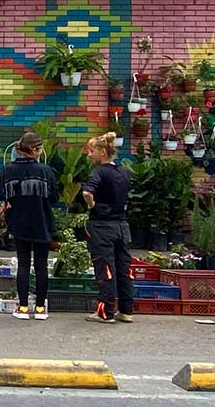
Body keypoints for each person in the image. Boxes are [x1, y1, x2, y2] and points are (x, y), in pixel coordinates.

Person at [0, 132, 57, 320]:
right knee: (41, 266)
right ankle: (40, 308)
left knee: (23, 264)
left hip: (19, 222)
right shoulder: (45, 171)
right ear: (36, 150)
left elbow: (3, 194)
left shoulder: (8, 170)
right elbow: (54, 197)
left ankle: (23, 308)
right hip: (42, 222)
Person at [81, 132, 134, 324]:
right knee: (124, 268)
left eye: (92, 150)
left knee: (105, 268)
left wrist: (92, 205)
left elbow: (87, 192)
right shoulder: (122, 172)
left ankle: (106, 312)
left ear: (103, 152)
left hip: (102, 226)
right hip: (122, 226)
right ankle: (126, 310)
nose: (89, 154)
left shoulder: (99, 172)